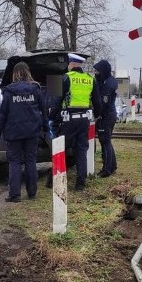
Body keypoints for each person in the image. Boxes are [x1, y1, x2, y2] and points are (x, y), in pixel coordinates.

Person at [0, 62, 48, 202]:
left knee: (15, 163)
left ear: (15, 74)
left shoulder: (9, 91)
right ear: (28, 72)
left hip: (14, 133)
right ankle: (32, 193)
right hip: (32, 132)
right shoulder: (35, 89)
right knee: (30, 161)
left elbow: (3, 115)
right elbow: (43, 110)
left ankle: (15, 195)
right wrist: (46, 128)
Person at [48, 53, 102, 191]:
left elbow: (56, 102)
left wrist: (51, 118)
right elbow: (98, 103)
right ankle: (80, 183)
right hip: (84, 120)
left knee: (61, 149)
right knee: (81, 151)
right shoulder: (90, 79)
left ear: (71, 64)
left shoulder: (65, 78)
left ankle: (52, 180)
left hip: (68, 121)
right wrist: (96, 116)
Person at [93, 59, 118, 177]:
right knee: (107, 141)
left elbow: (103, 103)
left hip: (106, 116)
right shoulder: (110, 81)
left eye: (97, 71)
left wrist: (98, 116)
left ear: (102, 71)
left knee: (104, 142)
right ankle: (112, 166)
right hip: (110, 114)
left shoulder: (106, 84)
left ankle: (106, 169)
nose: (96, 73)